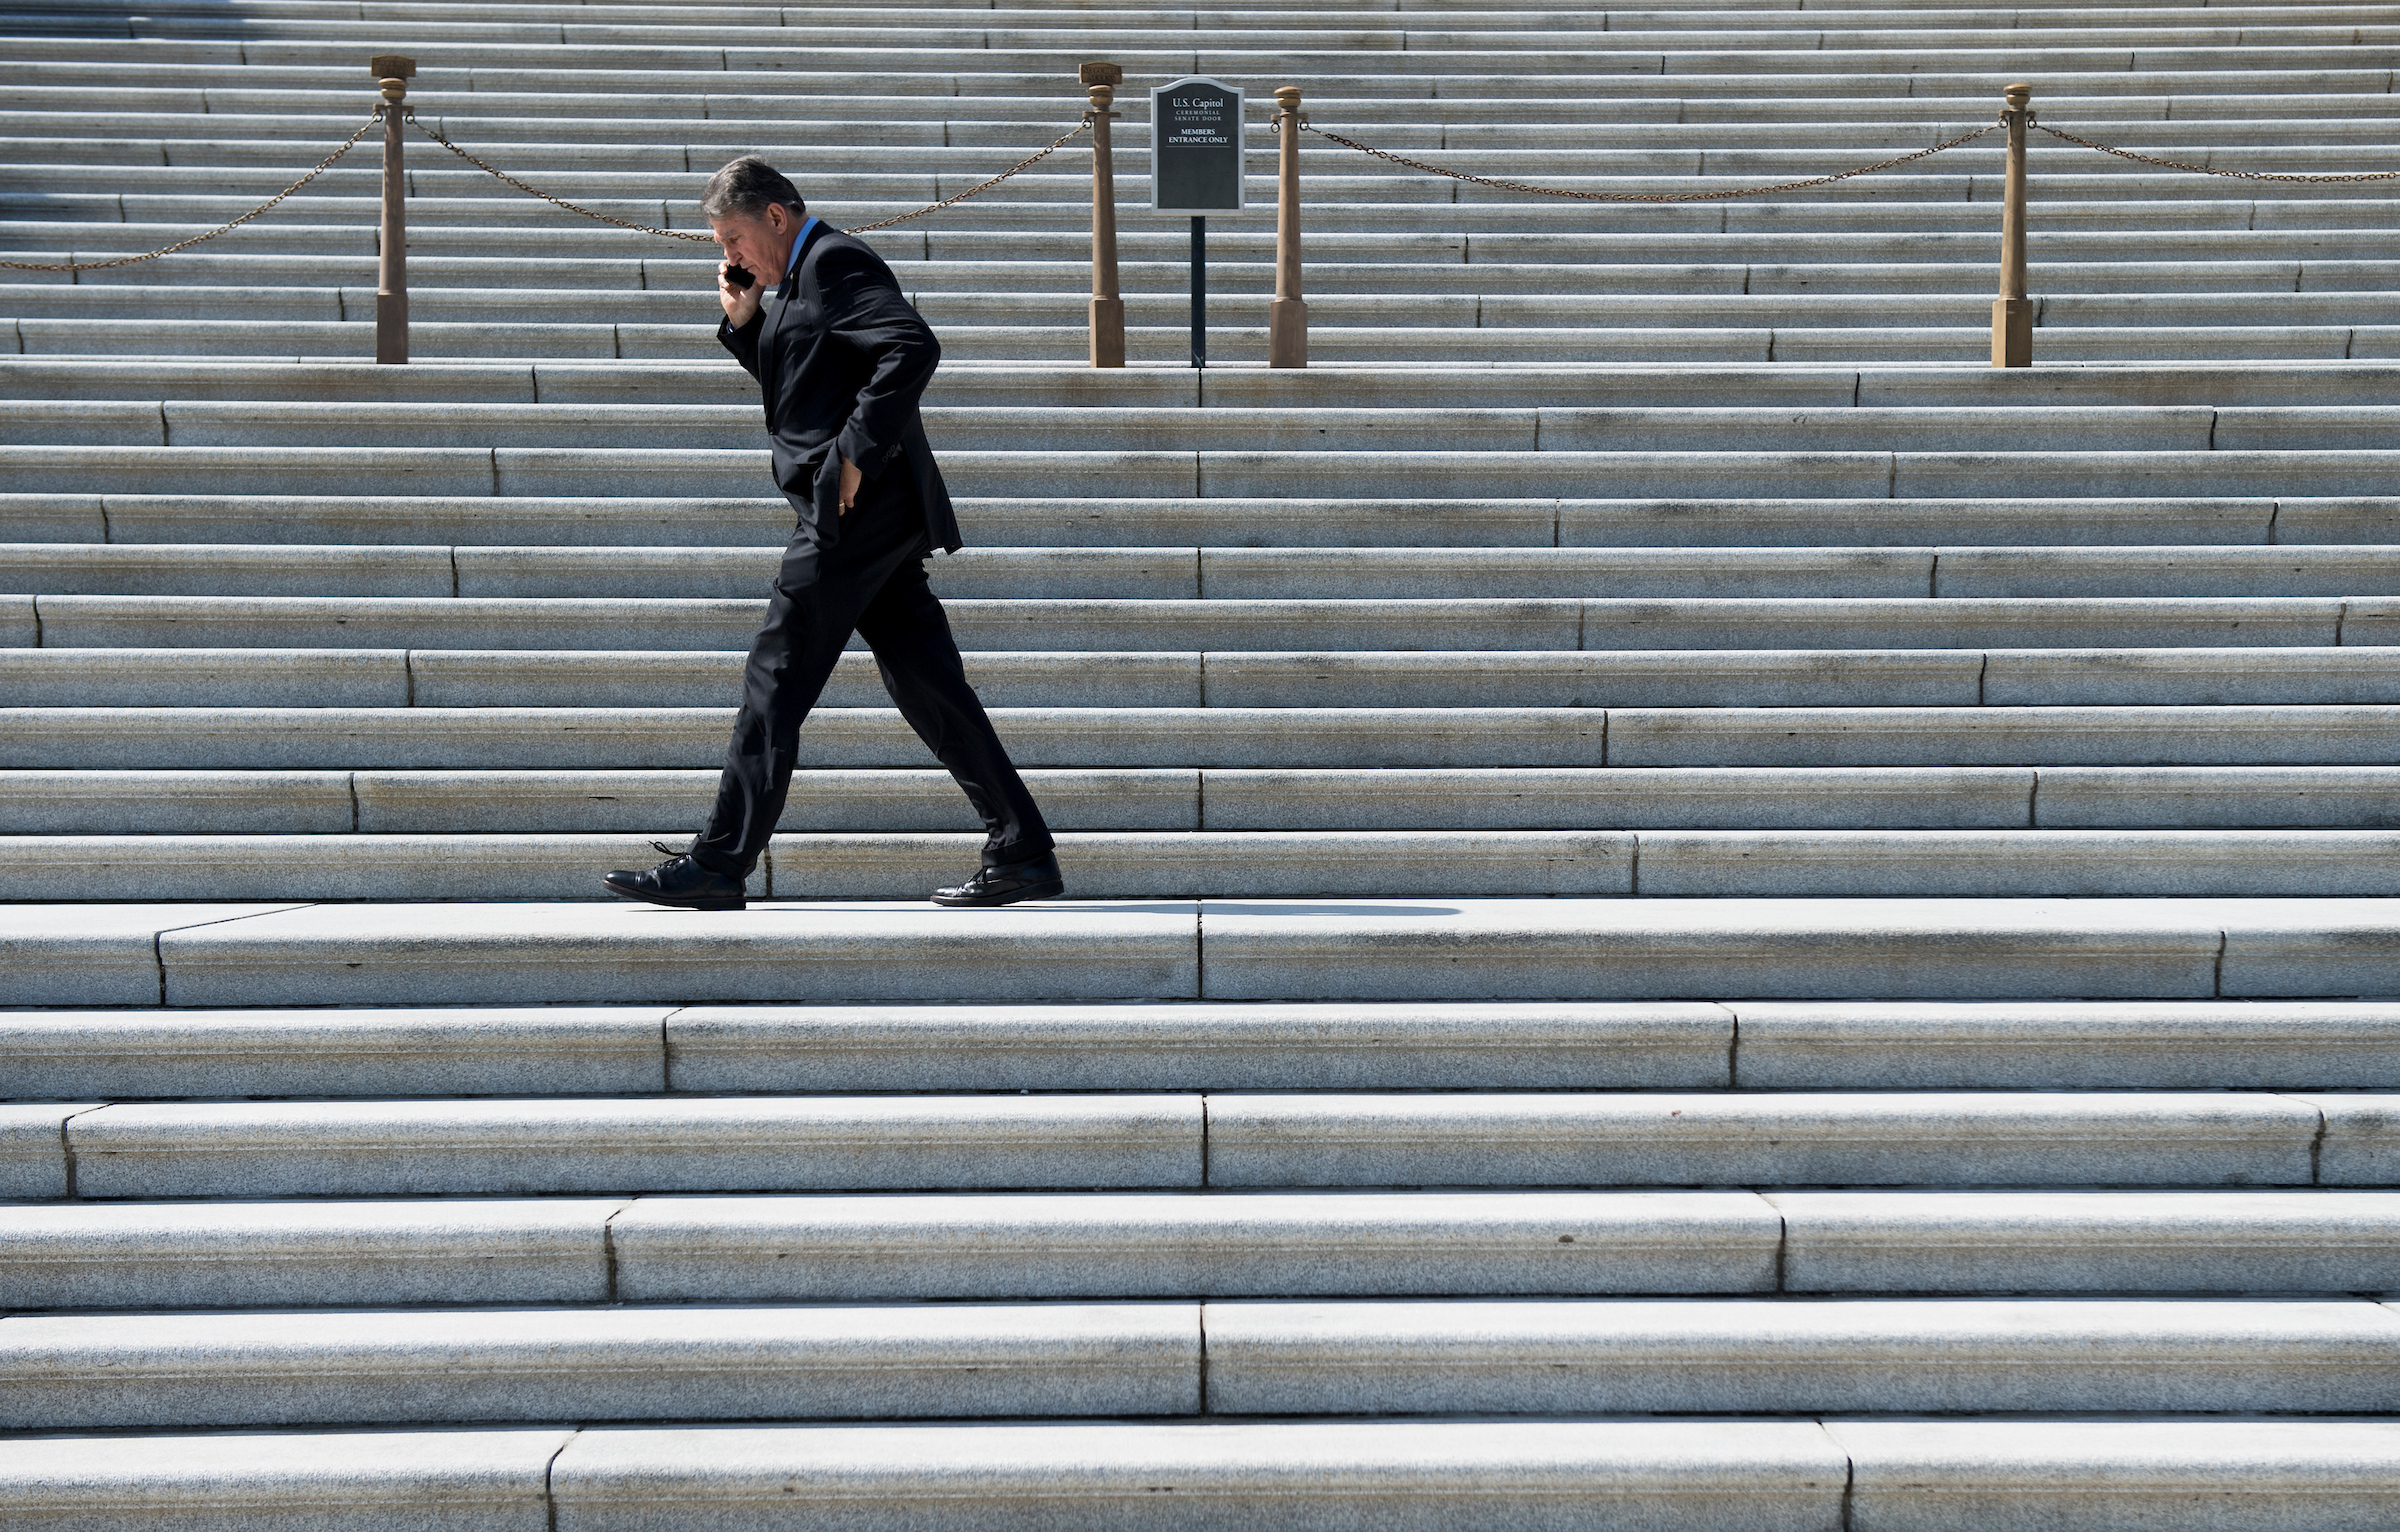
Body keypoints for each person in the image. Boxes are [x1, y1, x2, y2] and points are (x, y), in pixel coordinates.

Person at [604, 157, 1063, 912]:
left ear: (775, 217)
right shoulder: (795, 284)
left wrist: (854, 451)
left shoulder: (836, 261)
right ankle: (1022, 849)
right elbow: (804, 388)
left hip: (854, 511)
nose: (729, 256)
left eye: (733, 237)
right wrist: (747, 325)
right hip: (864, 513)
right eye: (721, 244)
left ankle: (720, 861)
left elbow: (912, 348)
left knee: (775, 674)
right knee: (929, 683)